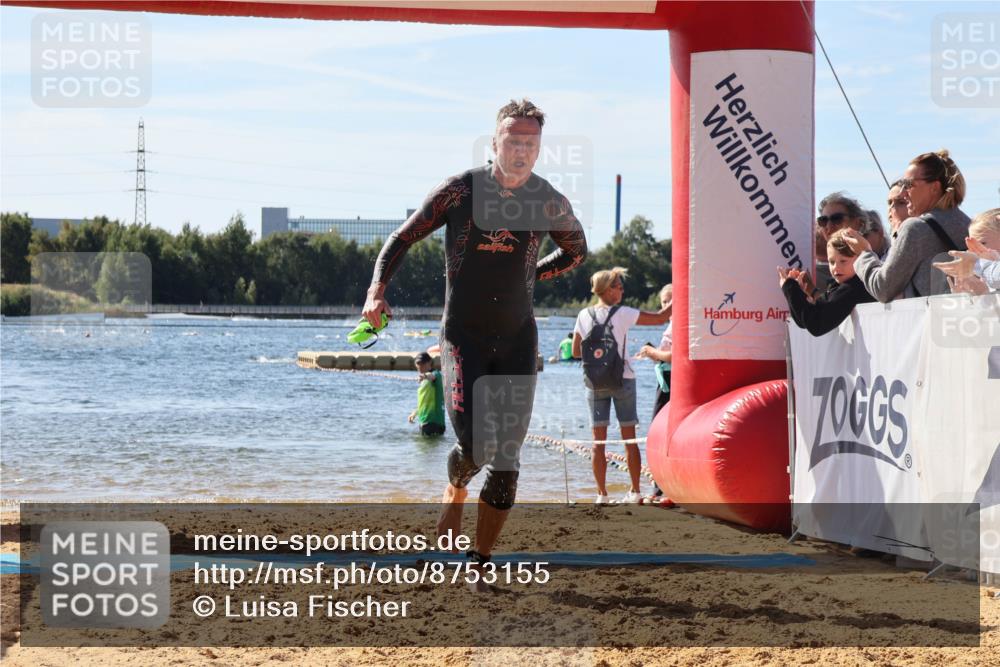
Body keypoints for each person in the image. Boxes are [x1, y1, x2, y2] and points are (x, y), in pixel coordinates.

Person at [362, 99, 587, 584]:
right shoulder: (460, 190)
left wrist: (532, 276)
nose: (521, 149)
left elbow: (576, 251)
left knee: (507, 460)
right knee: (476, 445)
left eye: (530, 141)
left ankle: (479, 563)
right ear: (494, 142)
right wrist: (376, 290)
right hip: (462, 336)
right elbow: (401, 239)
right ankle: (454, 492)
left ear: (539, 147)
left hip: (517, 339)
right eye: (513, 139)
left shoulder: (547, 200)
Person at [572, 267, 671, 505]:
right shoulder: (623, 313)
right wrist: (678, 299)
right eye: (618, 286)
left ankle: (601, 495)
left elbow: (576, 352)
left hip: (594, 383)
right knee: (629, 438)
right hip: (623, 378)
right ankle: (635, 491)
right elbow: (659, 317)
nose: (622, 290)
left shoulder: (583, 315)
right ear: (608, 290)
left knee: (598, 441)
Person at [846, 149, 970, 301]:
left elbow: (883, 289)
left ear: (935, 188)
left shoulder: (915, 228)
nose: (903, 192)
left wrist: (864, 253)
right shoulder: (969, 224)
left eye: (908, 184)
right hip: (970, 320)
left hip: (935, 321)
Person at [779, 229, 876, 336]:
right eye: (831, 262)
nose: (836, 267)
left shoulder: (852, 288)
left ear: (860, 259)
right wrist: (800, 294)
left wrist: (790, 288)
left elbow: (817, 325)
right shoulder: (841, 286)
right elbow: (805, 322)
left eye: (843, 261)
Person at [934, 208, 1000, 293]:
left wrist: (977, 264)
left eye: (982, 243)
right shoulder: (985, 275)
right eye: (970, 246)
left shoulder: (989, 272)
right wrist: (976, 295)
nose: (974, 252)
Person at [408, 352, 445, 436]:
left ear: (430, 362)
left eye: (423, 363)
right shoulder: (424, 382)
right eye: (418, 364)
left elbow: (432, 376)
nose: (420, 366)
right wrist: (414, 413)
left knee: (425, 448)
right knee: (425, 448)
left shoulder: (436, 374)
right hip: (425, 422)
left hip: (434, 422)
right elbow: (424, 402)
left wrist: (425, 376)